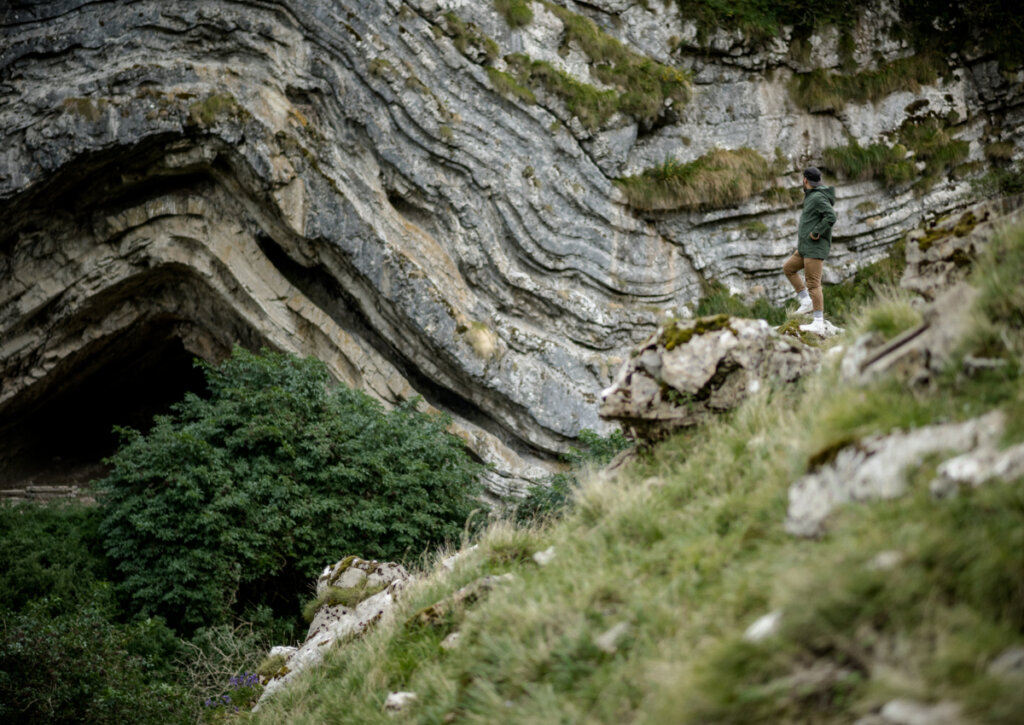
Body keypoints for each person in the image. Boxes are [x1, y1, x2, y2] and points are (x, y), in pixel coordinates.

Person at [783, 167, 837, 335]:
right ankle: (806, 301)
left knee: (813, 284)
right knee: (789, 268)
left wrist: (816, 232)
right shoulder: (812, 196)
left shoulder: (818, 197)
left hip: (814, 249)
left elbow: (831, 216)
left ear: (805, 180)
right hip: (805, 248)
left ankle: (818, 323)